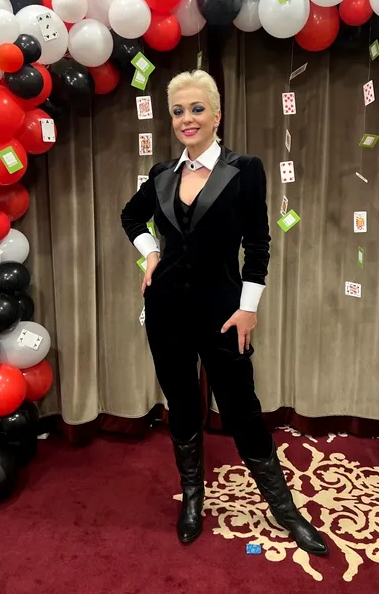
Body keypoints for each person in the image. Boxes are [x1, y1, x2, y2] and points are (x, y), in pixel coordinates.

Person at [121, 70, 327, 556]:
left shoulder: (245, 169)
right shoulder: (161, 174)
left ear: (217, 114)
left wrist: (248, 309)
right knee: (181, 402)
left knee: (241, 408)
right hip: (166, 308)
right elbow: (131, 217)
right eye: (178, 111)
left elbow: (258, 244)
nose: (186, 119)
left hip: (224, 311)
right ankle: (193, 496)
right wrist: (150, 252)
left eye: (196, 109)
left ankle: (284, 509)